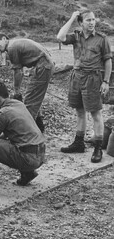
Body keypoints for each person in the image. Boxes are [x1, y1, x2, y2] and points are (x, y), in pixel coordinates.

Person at [57, 10, 112, 163]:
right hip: (76, 77)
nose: (92, 22)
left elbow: (108, 61)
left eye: (93, 20)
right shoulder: (76, 36)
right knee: (79, 111)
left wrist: (106, 81)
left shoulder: (102, 39)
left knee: (95, 113)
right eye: (88, 20)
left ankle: (97, 148)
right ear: (81, 23)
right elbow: (60, 37)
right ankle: (79, 143)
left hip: (93, 78)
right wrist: (72, 17)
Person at [0, 33, 55, 133]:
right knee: (33, 97)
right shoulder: (14, 44)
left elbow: (18, 72)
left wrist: (16, 90)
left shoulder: (11, 48)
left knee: (29, 101)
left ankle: (26, 132)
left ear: (4, 39)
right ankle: (39, 127)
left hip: (43, 66)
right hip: (43, 65)